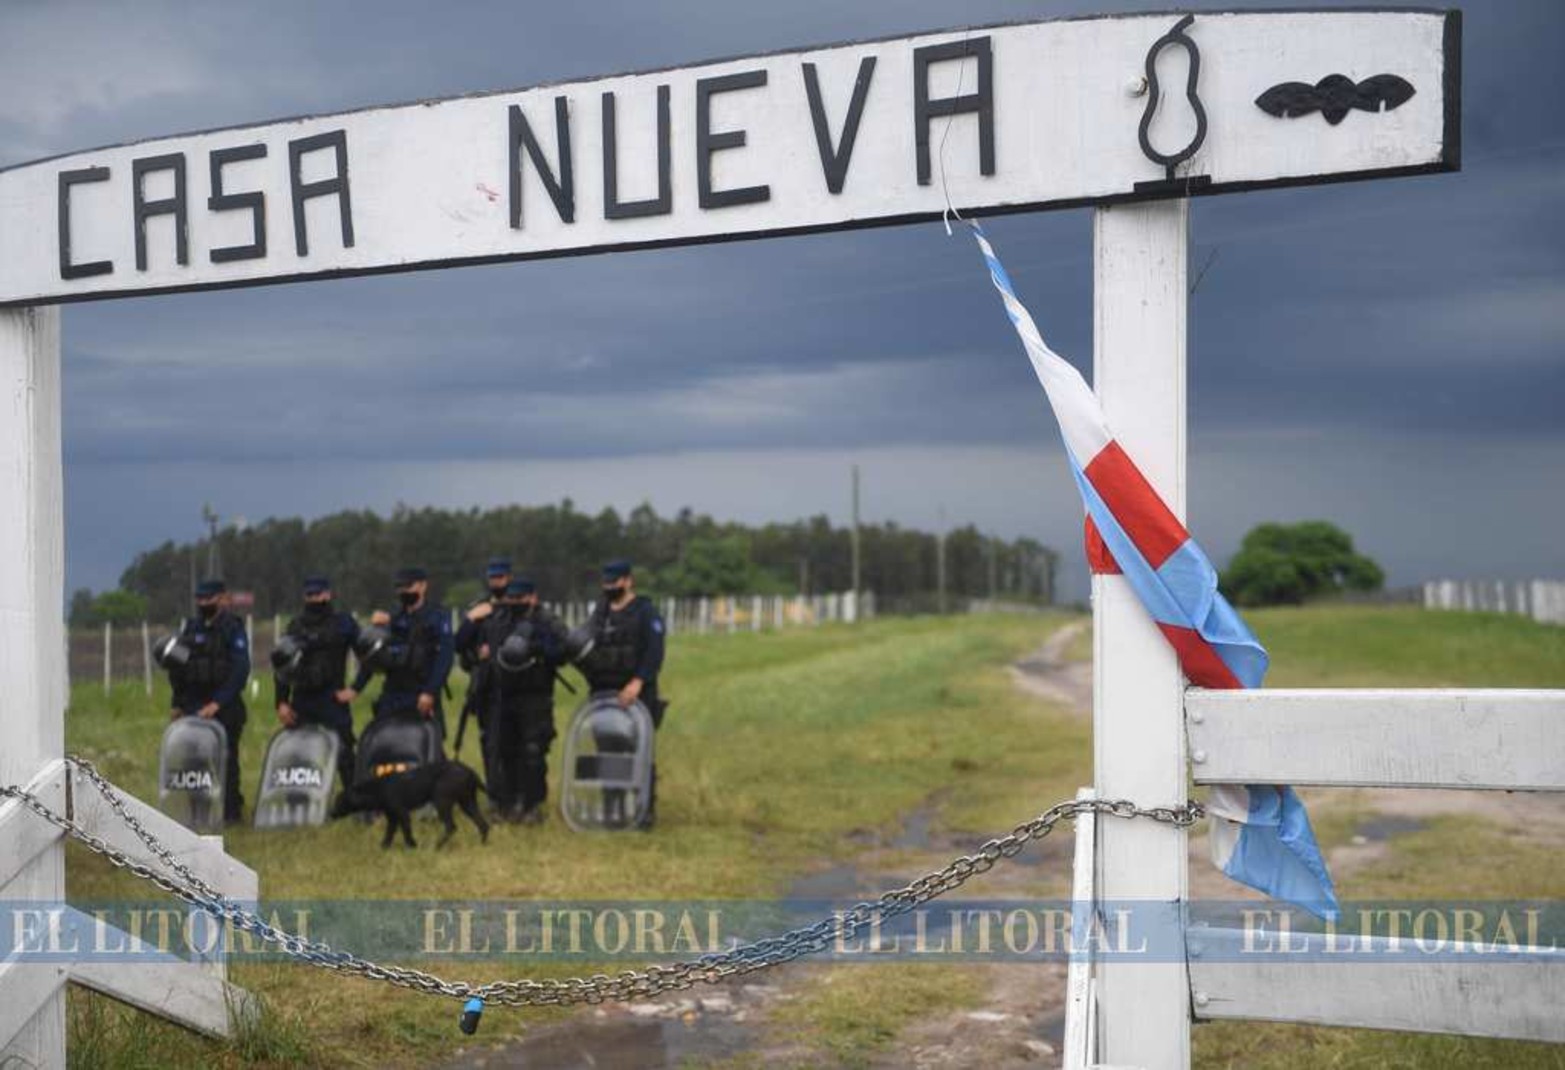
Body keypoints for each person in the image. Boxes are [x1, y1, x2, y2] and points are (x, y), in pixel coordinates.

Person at [578, 559, 667, 827]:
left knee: (638, 750)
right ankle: (612, 809)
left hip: (637, 693)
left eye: (614, 582)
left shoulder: (645, 611)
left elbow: (655, 651)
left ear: (628, 581)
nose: (609, 587)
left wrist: (638, 681)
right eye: (605, 582)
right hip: (604, 692)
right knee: (608, 751)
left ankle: (643, 812)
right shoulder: (600, 611)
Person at [477, 576, 567, 823]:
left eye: (520, 598)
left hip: (534, 697)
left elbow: (561, 651)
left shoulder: (545, 622)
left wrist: (535, 647)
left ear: (532, 597)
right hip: (504, 696)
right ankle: (507, 803)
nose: (514, 602)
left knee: (533, 752)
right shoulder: (499, 620)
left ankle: (532, 804)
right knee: (505, 751)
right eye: (511, 598)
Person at [166, 578, 251, 825]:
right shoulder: (190, 629)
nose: (204, 603)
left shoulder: (232, 628)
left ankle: (231, 814)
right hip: (193, 706)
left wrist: (218, 703)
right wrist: (178, 703)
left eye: (209, 599)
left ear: (223, 599)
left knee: (226, 762)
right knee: (194, 762)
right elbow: (178, 669)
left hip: (225, 708)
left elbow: (240, 670)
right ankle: (198, 813)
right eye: (200, 599)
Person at [342, 566, 454, 741]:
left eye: (409, 586)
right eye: (400, 587)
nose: (404, 591)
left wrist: (430, 692)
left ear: (423, 586)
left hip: (421, 694)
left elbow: (445, 658)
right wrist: (356, 688)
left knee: (428, 750)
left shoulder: (437, 617)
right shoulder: (393, 618)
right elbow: (373, 653)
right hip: (393, 694)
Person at [273, 574, 360, 788]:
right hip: (302, 699)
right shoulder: (295, 626)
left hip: (333, 698)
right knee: (298, 755)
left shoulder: (343, 624)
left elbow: (368, 653)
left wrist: (356, 688)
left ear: (328, 594)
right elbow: (282, 665)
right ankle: (298, 801)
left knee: (345, 754)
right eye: (309, 595)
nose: (313, 599)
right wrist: (281, 702)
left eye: (318, 594)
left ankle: (359, 802)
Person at [454, 557, 513, 778]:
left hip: (513, 687)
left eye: (500, 578)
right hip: (486, 687)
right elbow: (459, 644)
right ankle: (495, 795)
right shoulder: (478, 610)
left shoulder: (516, 607)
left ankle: (516, 798)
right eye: (492, 578)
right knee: (490, 744)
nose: (496, 583)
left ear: (509, 578)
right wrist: (471, 619)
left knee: (513, 745)